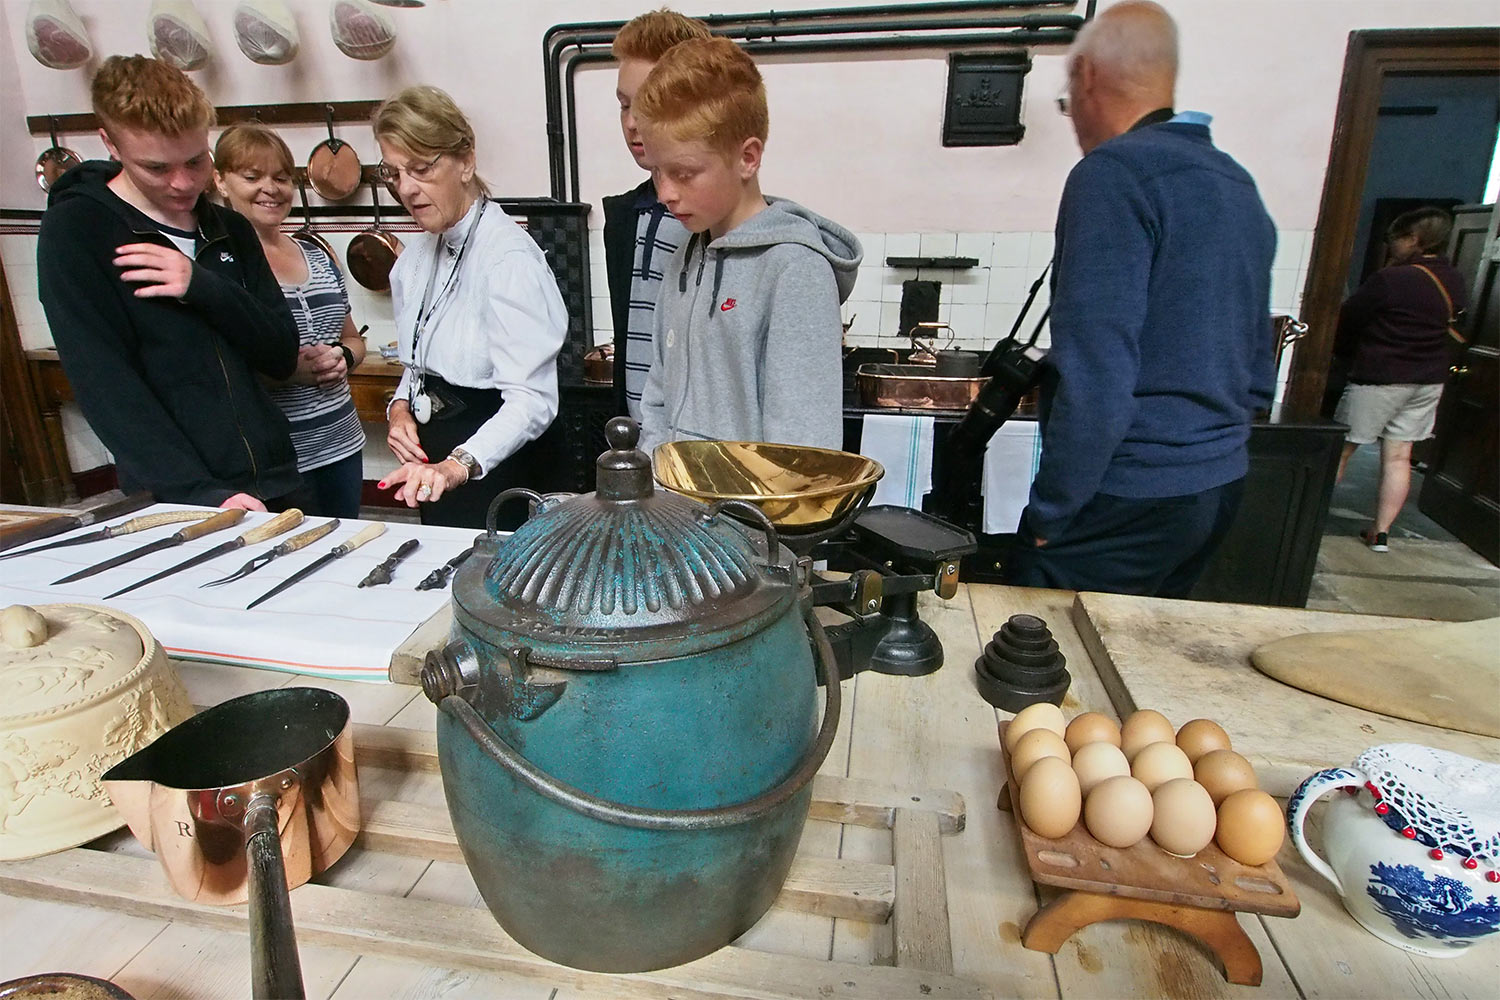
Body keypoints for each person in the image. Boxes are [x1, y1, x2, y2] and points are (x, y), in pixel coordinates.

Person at [1003, 1, 1277, 597]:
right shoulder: (1234, 180)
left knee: (1039, 644)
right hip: (1218, 485)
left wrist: (1051, 512)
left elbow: (1096, 370)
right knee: (1135, 645)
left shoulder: (1114, 174)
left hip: (1129, 491)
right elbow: (1260, 365)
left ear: (1088, 76)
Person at [37, 55, 302, 511]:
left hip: (274, 477)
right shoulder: (78, 230)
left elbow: (280, 353)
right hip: (178, 493)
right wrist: (195, 491)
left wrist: (203, 286)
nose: (183, 183)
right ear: (110, 144)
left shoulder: (229, 228)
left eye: (196, 161)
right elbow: (105, 384)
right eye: (157, 168)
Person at [633, 36, 861, 455]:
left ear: (748, 158)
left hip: (752, 501)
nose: (665, 193)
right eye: (657, 172)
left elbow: (802, 452)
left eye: (684, 173)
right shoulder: (684, 259)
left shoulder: (794, 269)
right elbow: (657, 399)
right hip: (672, 496)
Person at [375, 86, 568, 527]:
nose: (406, 189)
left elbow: (533, 401)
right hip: (434, 466)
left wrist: (457, 465)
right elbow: (417, 364)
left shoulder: (508, 259)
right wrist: (399, 409)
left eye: (421, 168)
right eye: (394, 173)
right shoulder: (412, 261)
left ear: (466, 161)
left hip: (505, 467)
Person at [214, 124, 368, 518]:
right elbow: (216, 370)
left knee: (344, 544)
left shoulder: (315, 255)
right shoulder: (221, 265)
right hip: (277, 459)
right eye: (252, 177)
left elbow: (352, 338)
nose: (270, 188)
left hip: (341, 443)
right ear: (221, 181)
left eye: (281, 178)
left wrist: (343, 357)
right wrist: (289, 371)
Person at [1331, 207, 1467, 552]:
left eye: (1394, 239)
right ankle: (1381, 533)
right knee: (1398, 457)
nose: (1391, 246)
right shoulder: (1454, 279)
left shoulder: (1392, 279)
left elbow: (1348, 318)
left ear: (1413, 239)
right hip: (1428, 380)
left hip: (1381, 377)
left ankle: (1305, 522)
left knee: (1341, 451)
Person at [603, 8, 711, 419]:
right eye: (624, 105)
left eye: (648, 103)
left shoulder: (719, 224)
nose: (633, 123)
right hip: (639, 440)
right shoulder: (625, 217)